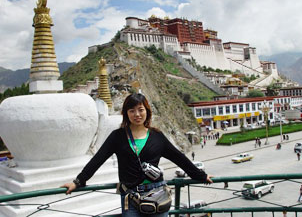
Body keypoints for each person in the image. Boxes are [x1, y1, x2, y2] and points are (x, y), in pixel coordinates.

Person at [61, 93, 213, 217]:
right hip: (130, 197)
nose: (137, 114)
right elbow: (98, 159)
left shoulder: (157, 136)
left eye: (140, 109)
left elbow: (179, 158)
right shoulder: (117, 136)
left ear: (147, 111)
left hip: (157, 194)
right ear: (126, 114)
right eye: (132, 111)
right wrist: (78, 181)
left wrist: (200, 175)